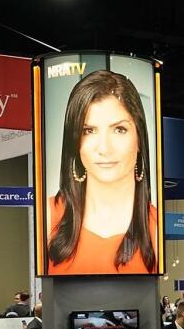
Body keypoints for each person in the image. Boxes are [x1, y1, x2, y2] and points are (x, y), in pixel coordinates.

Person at [47, 70, 158, 275]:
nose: (104, 148)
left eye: (119, 129)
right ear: (75, 141)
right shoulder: (47, 216)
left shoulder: (157, 228)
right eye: (88, 131)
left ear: (139, 138)